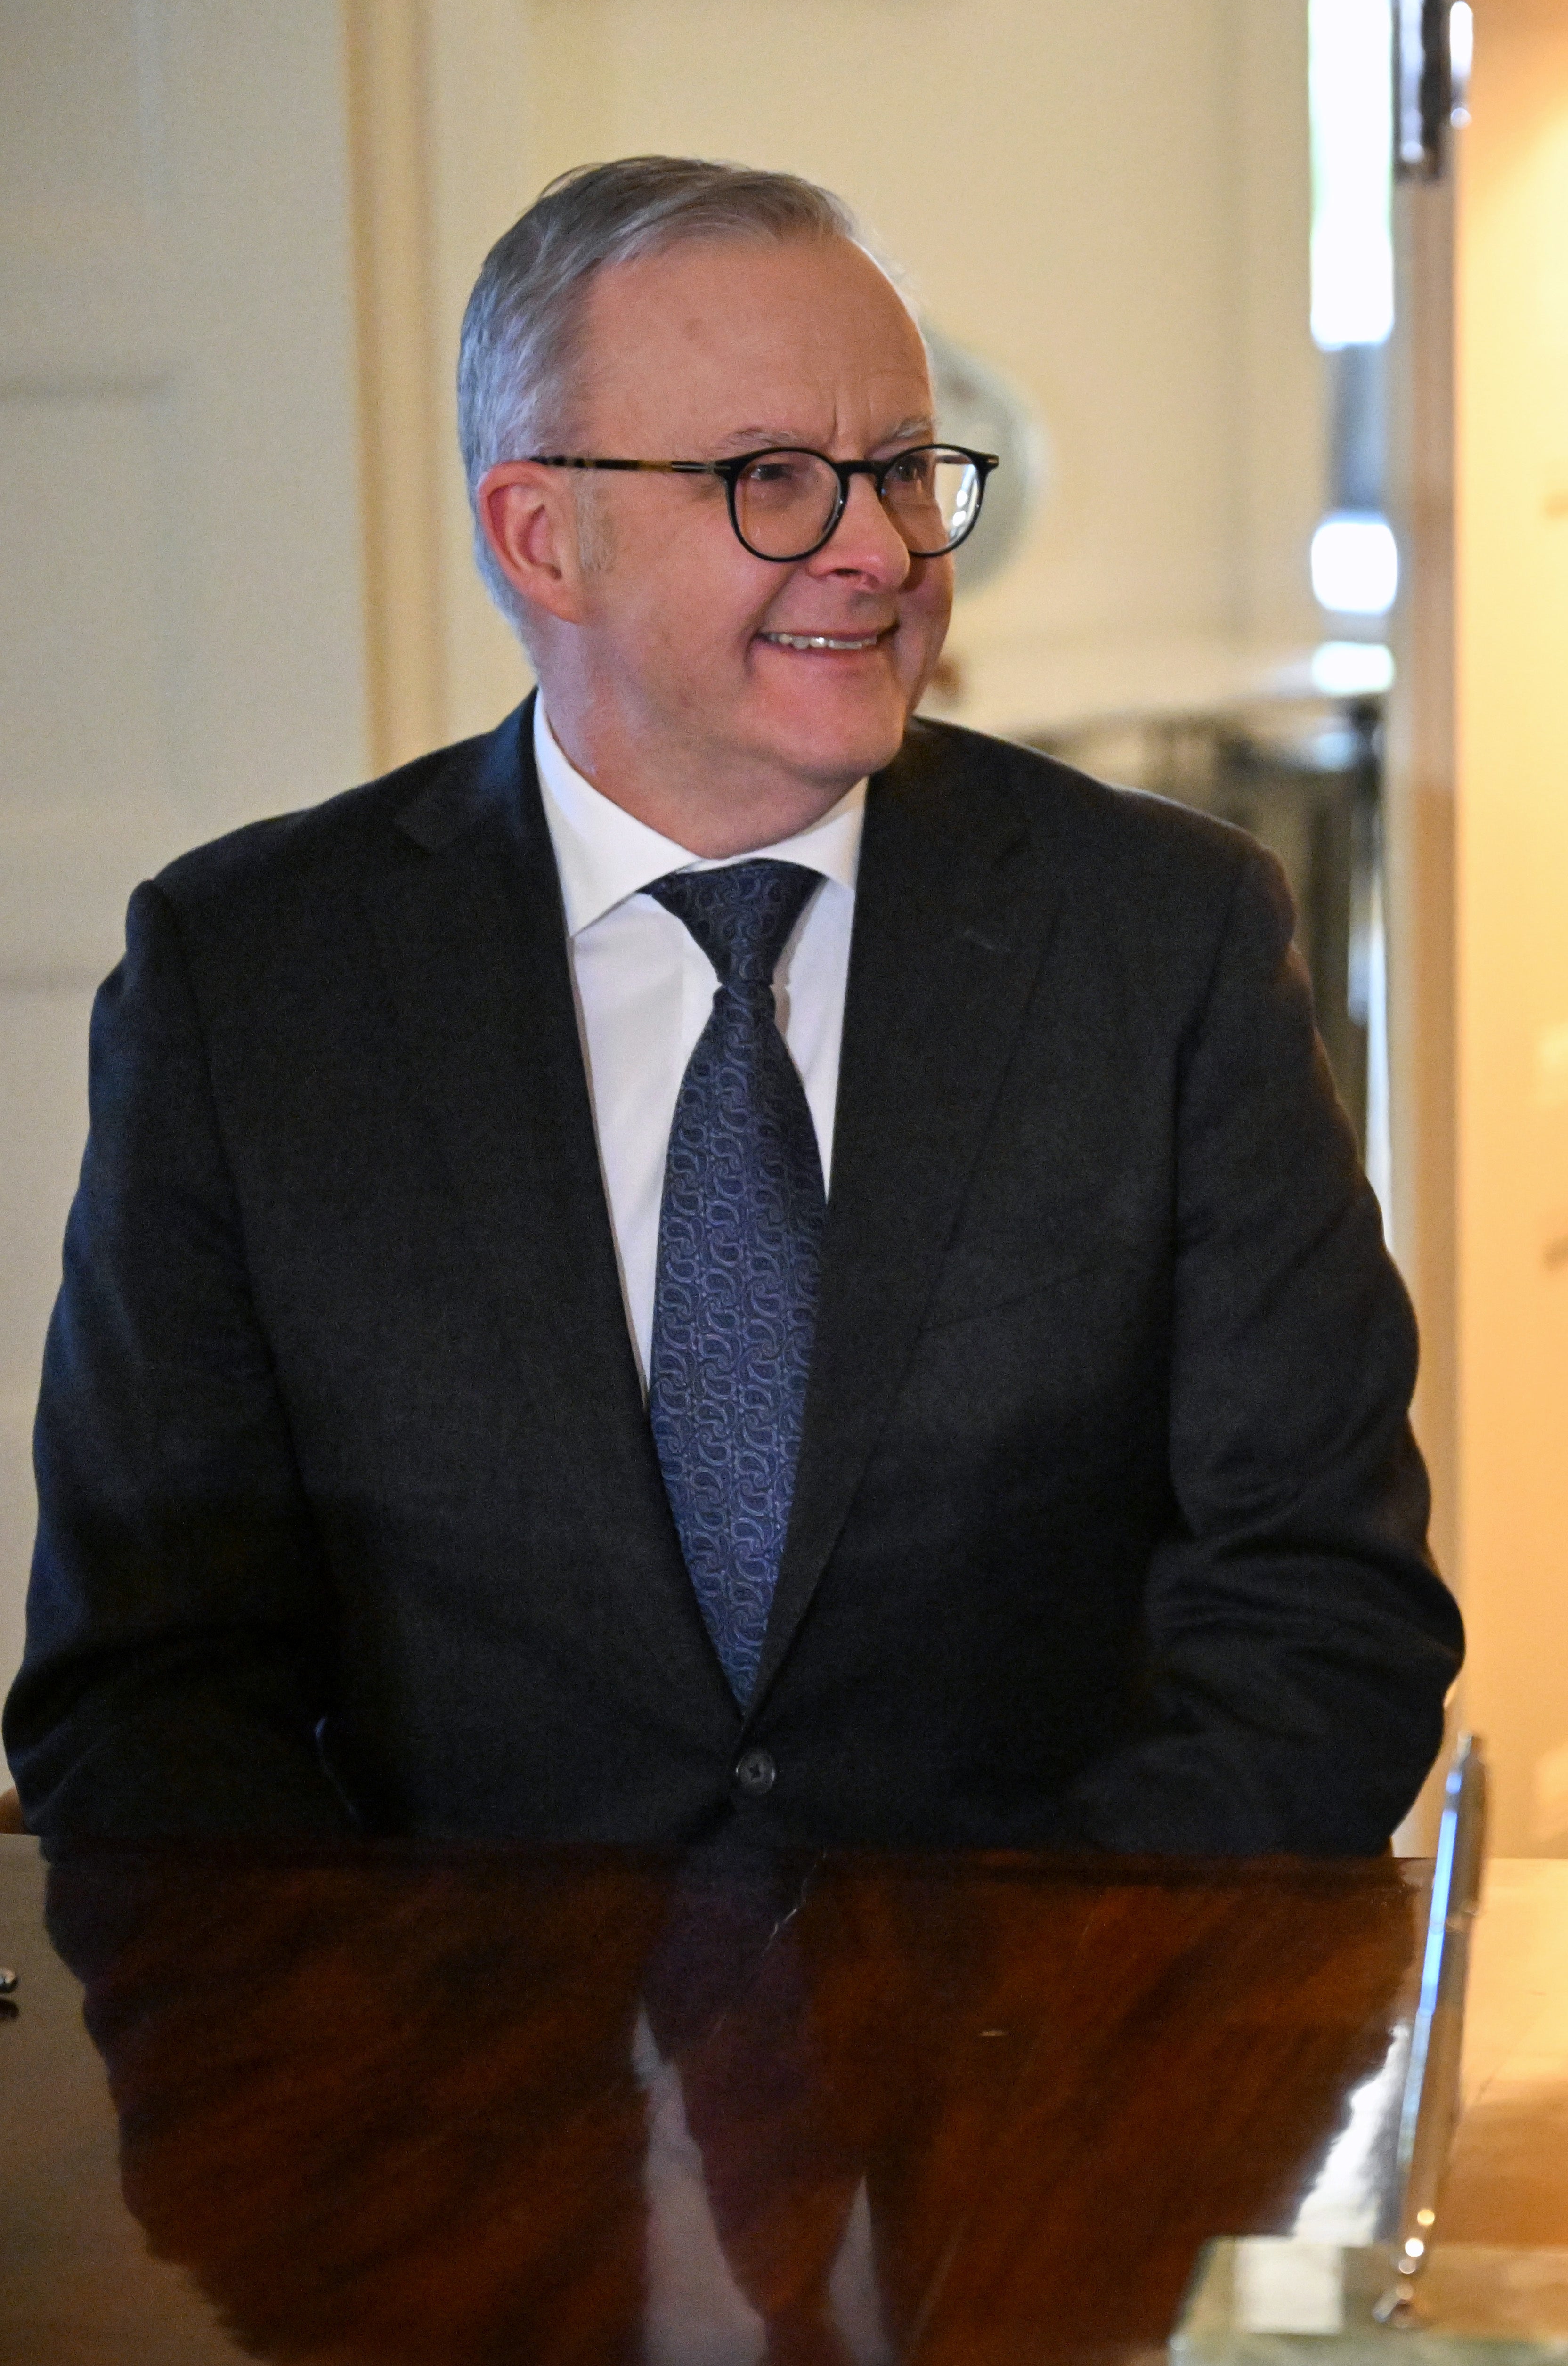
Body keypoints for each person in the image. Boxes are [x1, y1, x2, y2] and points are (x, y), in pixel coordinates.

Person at [7, 158, 1461, 1852]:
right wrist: (385, 2073)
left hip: (1049, 2063)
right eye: (775, 480)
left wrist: (1033, 2047)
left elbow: (1320, 1625)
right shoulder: (253, 976)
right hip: (445, 2075)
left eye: (906, 471)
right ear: (543, 536)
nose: (881, 551)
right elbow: (151, 1688)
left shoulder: (1163, 935)